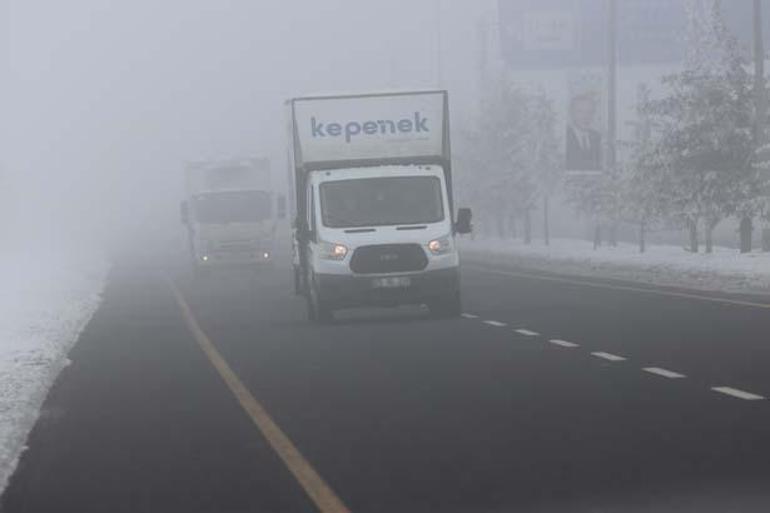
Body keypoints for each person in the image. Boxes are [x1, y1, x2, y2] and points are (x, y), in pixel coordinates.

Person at [566, 92, 602, 172]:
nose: (585, 117)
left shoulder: (597, 137)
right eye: (580, 112)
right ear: (571, 113)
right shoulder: (565, 136)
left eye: (590, 112)